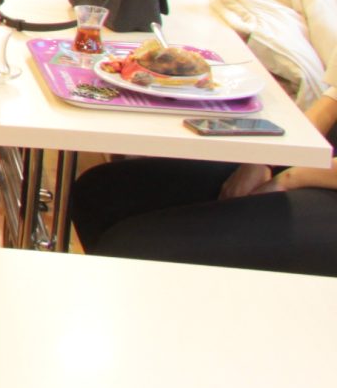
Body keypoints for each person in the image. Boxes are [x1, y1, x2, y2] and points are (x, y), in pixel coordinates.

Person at [70, 89, 337, 276]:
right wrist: (266, 161)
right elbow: (332, 100)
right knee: (99, 192)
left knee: (132, 250)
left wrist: (293, 177)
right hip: (317, 164)